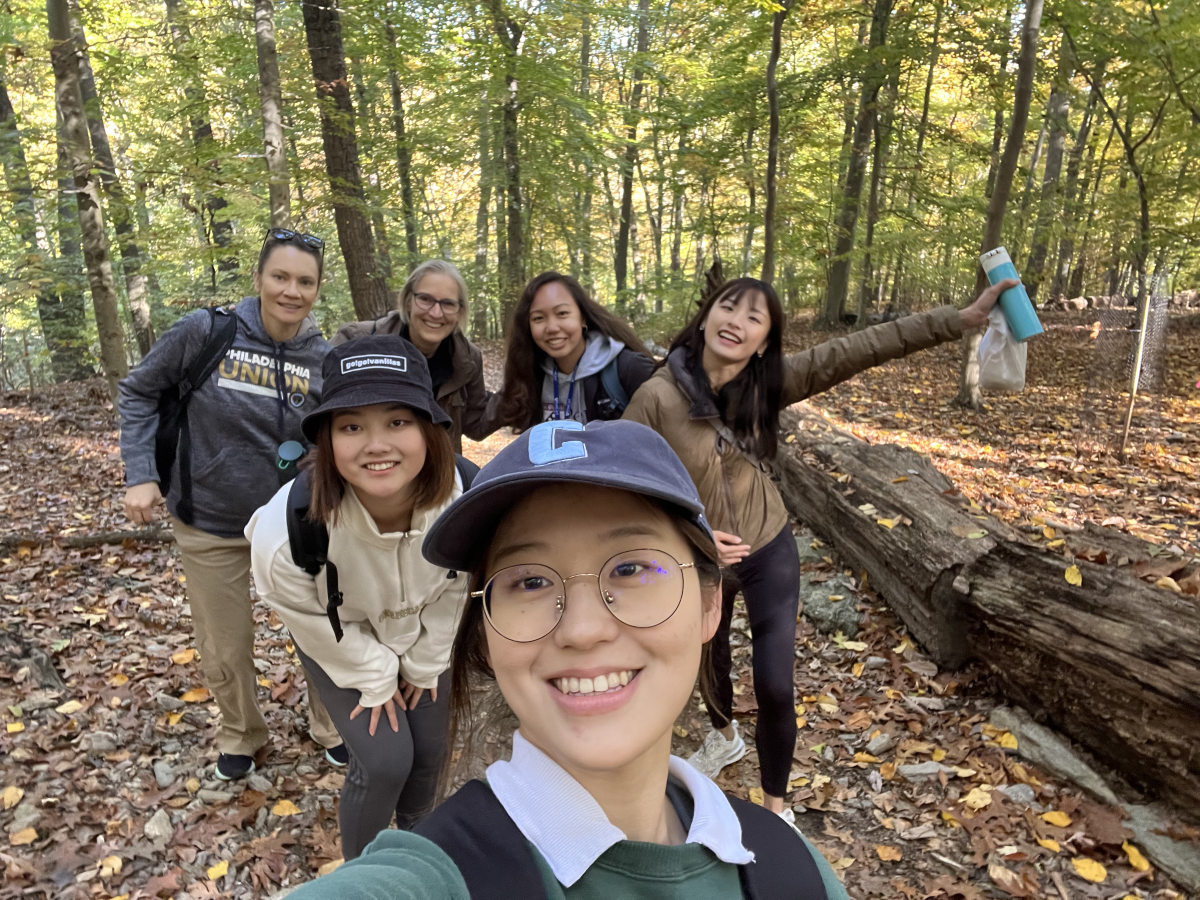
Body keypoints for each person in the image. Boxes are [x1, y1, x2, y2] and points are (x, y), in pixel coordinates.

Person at [286, 418, 850, 900]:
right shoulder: (442, 874)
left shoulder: (792, 870)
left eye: (631, 569)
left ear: (709, 605)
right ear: (485, 631)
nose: (581, 630)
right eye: (529, 580)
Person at [624, 274, 1019, 820]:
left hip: (767, 548)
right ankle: (724, 736)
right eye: (728, 307)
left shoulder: (768, 384)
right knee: (707, 662)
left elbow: (858, 348)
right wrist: (688, 533)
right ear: (707, 316)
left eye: (754, 317)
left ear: (764, 341)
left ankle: (776, 809)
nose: (737, 321)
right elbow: (625, 487)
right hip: (699, 557)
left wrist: (959, 320)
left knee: (774, 686)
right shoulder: (654, 397)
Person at [118, 228, 345, 781]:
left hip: (297, 524)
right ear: (259, 278)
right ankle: (241, 733)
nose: (292, 291)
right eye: (281, 277)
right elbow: (139, 390)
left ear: (317, 288)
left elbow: (339, 433)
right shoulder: (207, 332)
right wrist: (142, 475)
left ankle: (332, 726)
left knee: (322, 629)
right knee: (224, 646)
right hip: (210, 519)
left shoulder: (323, 356)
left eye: (305, 281)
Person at [246, 335, 470, 859]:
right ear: (326, 438)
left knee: (431, 750)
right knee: (387, 758)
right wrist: (374, 675)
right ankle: (365, 877)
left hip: (424, 627)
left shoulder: (465, 502)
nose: (377, 445)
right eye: (351, 427)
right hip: (341, 636)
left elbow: (459, 585)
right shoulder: (288, 533)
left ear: (430, 429)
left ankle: (418, 853)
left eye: (398, 422)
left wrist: (424, 662)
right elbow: (307, 616)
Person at [332, 260, 490, 453]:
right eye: (425, 299)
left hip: (439, 475)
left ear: (459, 312)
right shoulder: (355, 341)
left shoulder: (467, 359)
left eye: (448, 304)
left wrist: (517, 392)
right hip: (373, 467)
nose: (436, 313)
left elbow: (476, 425)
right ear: (408, 302)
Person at [492, 271, 655, 431]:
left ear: (582, 318)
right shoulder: (530, 376)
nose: (552, 328)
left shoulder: (629, 368)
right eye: (538, 318)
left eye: (562, 313)